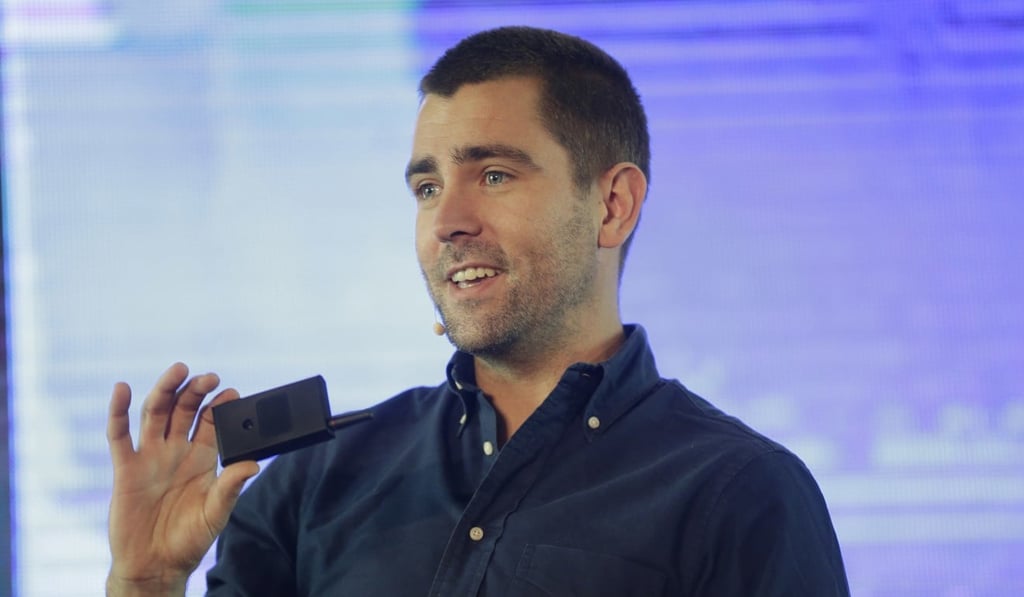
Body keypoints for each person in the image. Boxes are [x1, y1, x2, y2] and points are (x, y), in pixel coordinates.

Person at [105, 26, 850, 596]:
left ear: (613, 204)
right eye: (426, 188)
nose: (446, 220)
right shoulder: (311, 483)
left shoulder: (741, 492)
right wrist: (143, 584)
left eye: (493, 174)